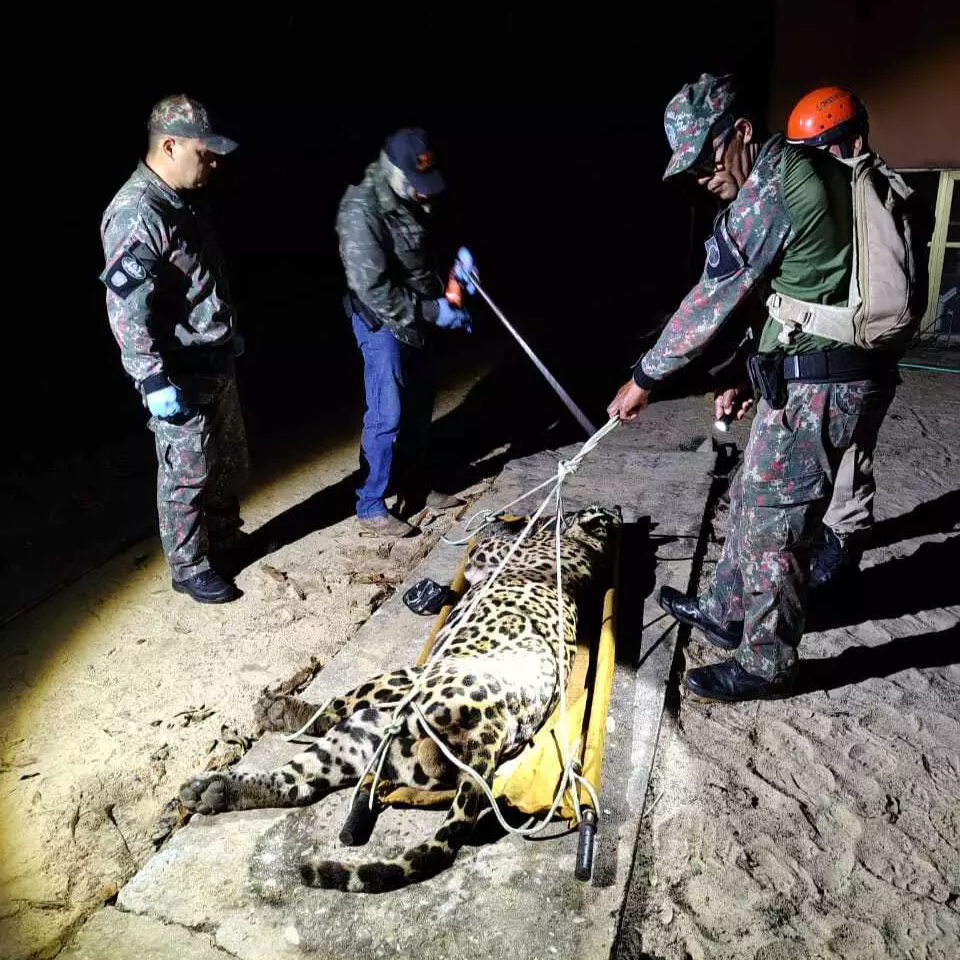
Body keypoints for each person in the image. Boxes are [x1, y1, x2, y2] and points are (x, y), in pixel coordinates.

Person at [607, 73, 917, 702]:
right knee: (751, 494)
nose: (700, 177)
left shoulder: (774, 185)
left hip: (825, 386)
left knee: (778, 523)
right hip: (806, 377)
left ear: (742, 132)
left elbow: (712, 302)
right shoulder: (799, 177)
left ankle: (767, 662)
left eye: (704, 159)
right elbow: (799, 296)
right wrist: (750, 376)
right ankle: (724, 610)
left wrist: (644, 378)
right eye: (688, 168)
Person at [99, 94, 249, 604]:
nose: (213, 163)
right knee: (187, 472)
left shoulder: (181, 198)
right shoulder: (138, 212)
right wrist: (151, 378)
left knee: (225, 460)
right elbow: (126, 309)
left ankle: (224, 539)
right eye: (204, 153)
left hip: (212, 358)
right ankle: (189, 565)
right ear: (169, 145)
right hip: (178, 370)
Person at [336, 127, 474, 538]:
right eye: (418, 187)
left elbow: (427, 248)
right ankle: (371, 502)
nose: (426, 195)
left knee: (419, 404)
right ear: (394, 173)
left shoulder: (415, 196)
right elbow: (374, 290)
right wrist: (434, 311)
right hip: (383, 321)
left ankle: (416, 481)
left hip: (421, 317)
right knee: (387, 413)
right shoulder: (359, 210)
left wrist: (458, 268)